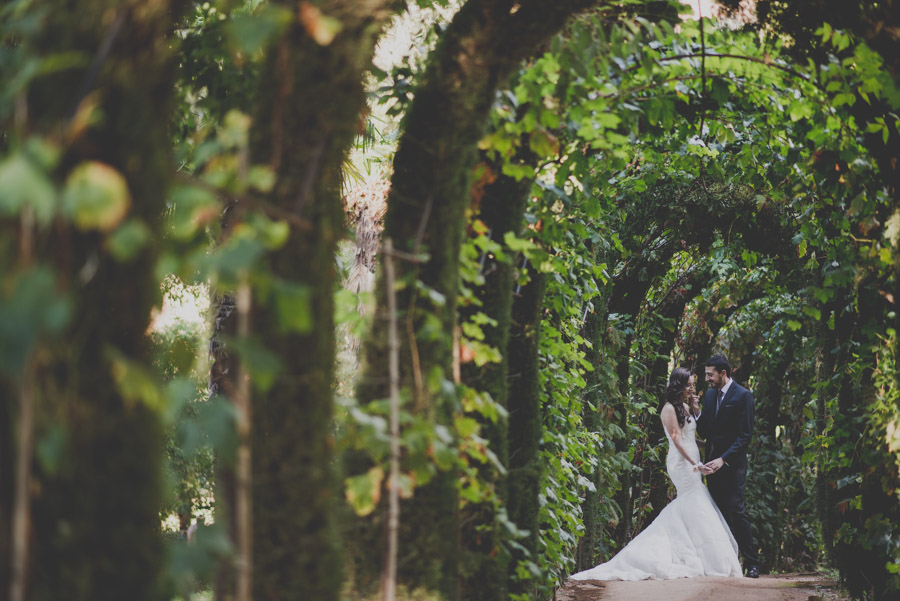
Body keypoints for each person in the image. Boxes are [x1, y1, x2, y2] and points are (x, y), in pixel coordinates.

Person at [571, 367, 742, 581]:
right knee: (695, 501)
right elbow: (677, 440)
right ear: (678, 386)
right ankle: (693, 556)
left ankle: (698, 552)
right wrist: (695, 463)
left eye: (692, 384)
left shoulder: (686, 406)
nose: (692, 388)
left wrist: (700, 418)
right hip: (681, 465)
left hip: (693, 463)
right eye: (688, 384)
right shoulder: (669, 409)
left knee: (691, 505)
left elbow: (692, 437)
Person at [695, 355, 760, 578]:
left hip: (733, 464)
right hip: (711, 464)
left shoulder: (744, 396)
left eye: (710, 374)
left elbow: (745, 436)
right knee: (717, 512)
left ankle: (752, 563)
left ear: (723, 373)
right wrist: (696, 411)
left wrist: (724, 459)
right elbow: (704, 432)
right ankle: (728, 563)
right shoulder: (710, 395)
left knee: (736, 510)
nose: (707, 379)